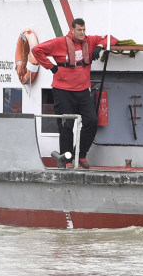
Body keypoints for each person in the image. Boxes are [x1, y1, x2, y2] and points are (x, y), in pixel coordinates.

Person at [31, 18, 114, 168]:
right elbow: (36, 50)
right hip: (63, 91)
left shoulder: (90, 41)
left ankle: (81, 155)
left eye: (84, 30)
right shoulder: (59, 42)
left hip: (82, 90)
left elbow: (111, 38)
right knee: (66, 125)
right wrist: (51, 67)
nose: (82, 33)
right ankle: (67, 160)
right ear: (72, 30)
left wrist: (100, 46)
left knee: (92, 121)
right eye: (79, 30)